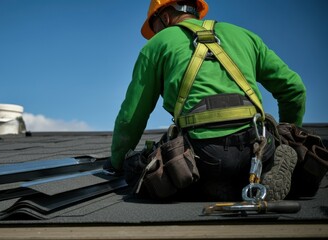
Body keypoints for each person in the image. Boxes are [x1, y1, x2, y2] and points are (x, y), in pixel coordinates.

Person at [104, 0, 306, 201]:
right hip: (256, 146)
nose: (155, 35)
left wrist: (117, 162)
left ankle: (212, 185)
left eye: (154, 28)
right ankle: (264, 168)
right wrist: (287, 134)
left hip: (201, 155)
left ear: (164, 17)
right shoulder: (244, 35)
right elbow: (294, 89)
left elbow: (130, 118)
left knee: (138, 170)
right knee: (265, 155)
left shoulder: (158, 43)